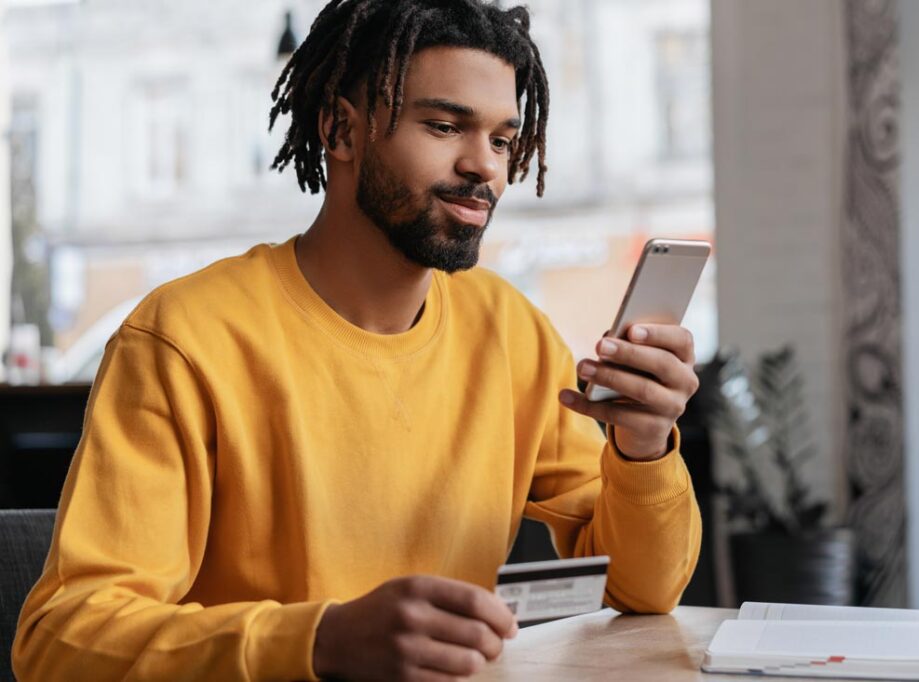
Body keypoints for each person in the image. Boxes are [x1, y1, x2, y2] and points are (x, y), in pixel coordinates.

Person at [13, 1, 702, 680]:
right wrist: (321, 641)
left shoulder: (509, 330)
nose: (484, 168)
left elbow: (641, 588)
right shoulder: (184, 338)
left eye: (500, 139)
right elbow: (64, 639)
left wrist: (643, 447)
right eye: (444, 125)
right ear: (341, 130)